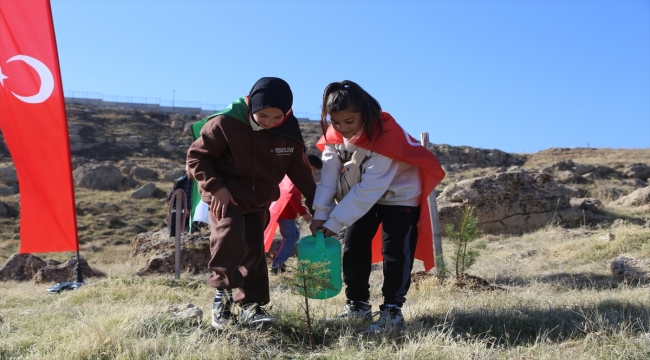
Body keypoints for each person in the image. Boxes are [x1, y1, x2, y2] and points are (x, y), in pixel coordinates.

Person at [309, 80, 445, 333]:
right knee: (354, 246)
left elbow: (370, 188)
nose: (342, 128)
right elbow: (328, 176)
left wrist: (334, 221)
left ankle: (393, 310)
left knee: (395, 251)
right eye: (336, 122)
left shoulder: (386, 136)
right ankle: (357, 304)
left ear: (365, 113)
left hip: (399, 195)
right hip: (361, 194)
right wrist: (321, 213)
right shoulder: (334, 136)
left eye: (349, 121)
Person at [187, 77, 317, 330]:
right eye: (262, 115)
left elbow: (301, 172)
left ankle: (251, 307)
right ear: (251, 107)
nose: (269, 122)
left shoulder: (288, 131)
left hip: (258, 199)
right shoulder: (225, 123)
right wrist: (217, 187)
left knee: (255, 250)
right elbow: (196, 158)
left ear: (287, 113)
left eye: (277, 117)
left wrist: (317, 205)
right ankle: (221, 304)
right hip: (225, 195)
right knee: (230, 233)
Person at [269, 154, 323, 274]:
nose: (314, 173)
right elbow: (292, 195)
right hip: (286, 214)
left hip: (283, 212)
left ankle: (276, 255)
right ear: (306, 165)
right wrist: (303, 212)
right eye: (313, 169)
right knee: (290, 238)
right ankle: (277, 265)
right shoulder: (298, 177)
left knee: (295, 234)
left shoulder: (290, 174)